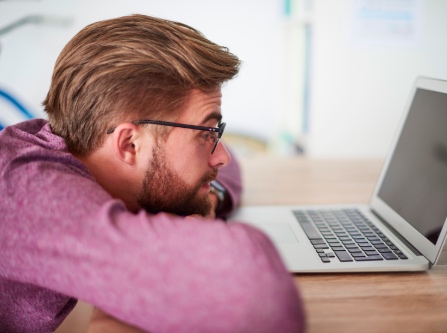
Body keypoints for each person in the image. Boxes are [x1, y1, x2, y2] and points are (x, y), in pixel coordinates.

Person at [0, 14, 305, 333]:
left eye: (215, 133)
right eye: (205, 134)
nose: (223, 156)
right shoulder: (31, 196)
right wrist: (193, 233)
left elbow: (230, 167)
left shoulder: (79, 151)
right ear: (130, 143)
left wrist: (207, 198)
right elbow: (262, 300)